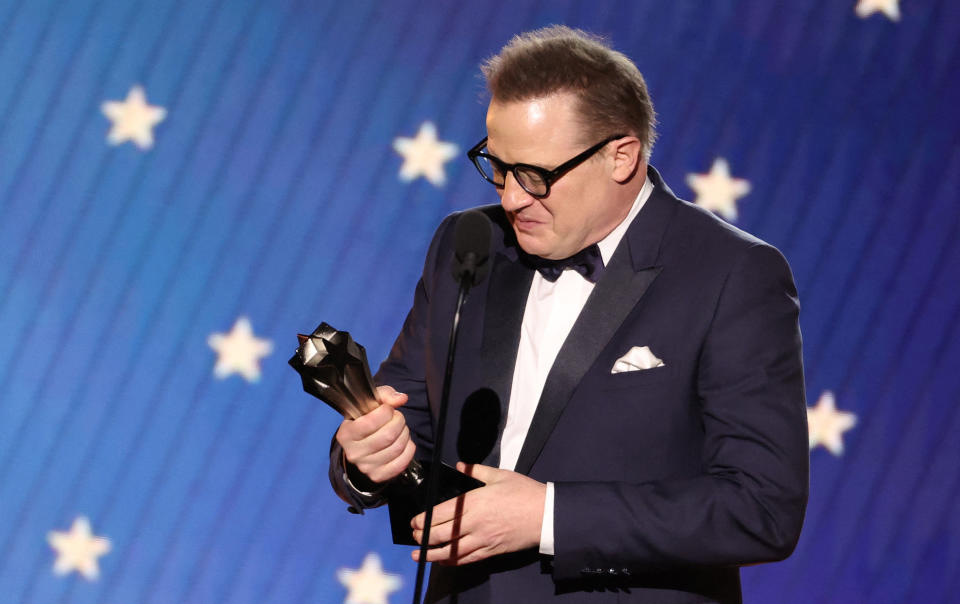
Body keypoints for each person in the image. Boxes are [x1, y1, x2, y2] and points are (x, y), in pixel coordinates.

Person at [329, 25, 808, 603]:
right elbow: (408, 425)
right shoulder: (468, 243)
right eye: (497, 166)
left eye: (535, 175)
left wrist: (549, 517)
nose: (510, 197)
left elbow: (761, 508)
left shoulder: (731, 274)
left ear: (620, 156)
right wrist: (366, 458)